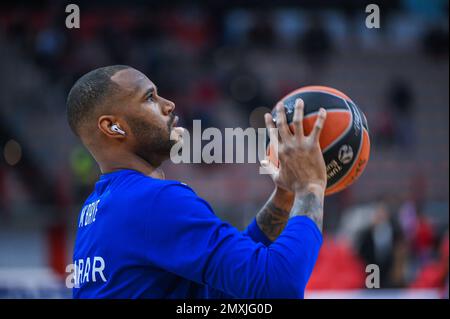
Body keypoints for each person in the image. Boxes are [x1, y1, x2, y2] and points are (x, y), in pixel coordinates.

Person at [66, 65, 328, 298]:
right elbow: (278, 286)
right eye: (149, 98)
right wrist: (310, 188)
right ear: (113, 127)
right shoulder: (154, 200)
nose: (168, 104)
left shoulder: (98, 207)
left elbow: (224, 282)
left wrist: (284, 197)